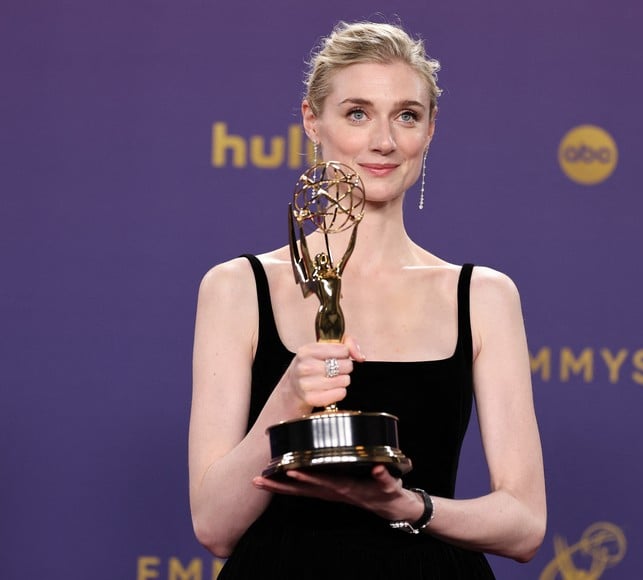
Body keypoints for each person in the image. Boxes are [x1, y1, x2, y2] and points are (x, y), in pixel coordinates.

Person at [188, 20, 546, 579]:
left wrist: (409, 507)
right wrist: (287, 397)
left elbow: (524, 525)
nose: (384, 141)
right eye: (357, 113)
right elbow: (214, 528)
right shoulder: (237, 287)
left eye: (407, 115)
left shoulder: (483, 296)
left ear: (429, 131)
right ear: (312, 120)